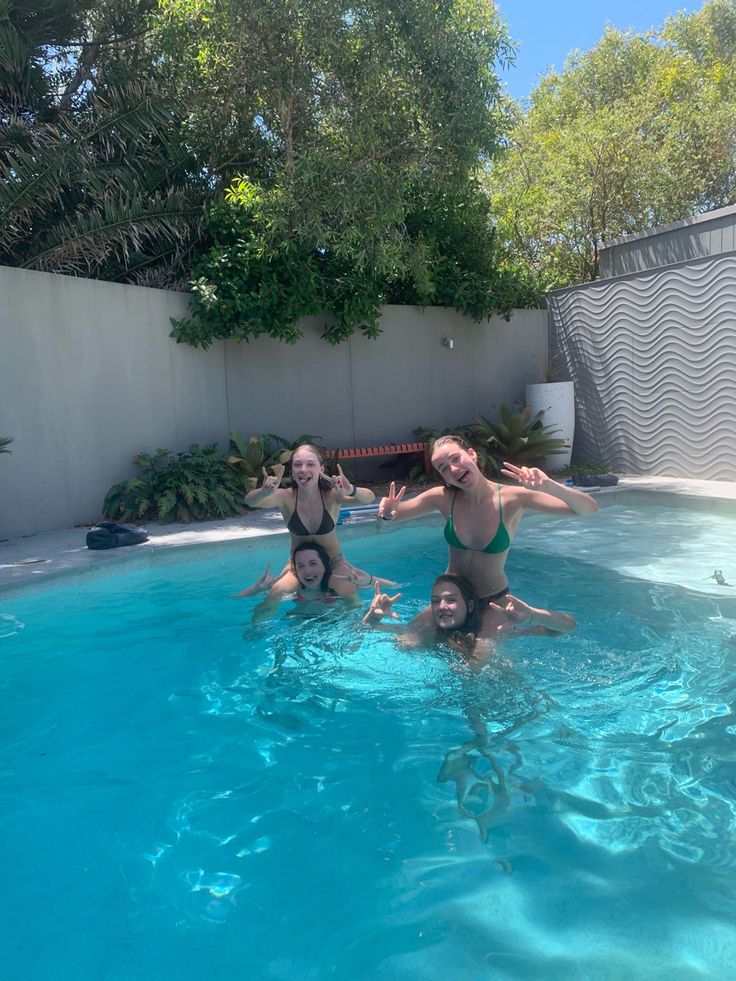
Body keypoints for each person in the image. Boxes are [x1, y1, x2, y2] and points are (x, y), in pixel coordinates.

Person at [378, 436, 598, 602]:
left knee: (478, 663)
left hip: (494, 600)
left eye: (456, 458)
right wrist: (386, 513)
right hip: (452, 600)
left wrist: (551, 486)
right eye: (443, 468)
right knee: (405, 643)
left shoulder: (513, 499)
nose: (453, 469)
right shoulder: (442, 498)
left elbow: (588, 510)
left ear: (472, 454)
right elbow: (394, 517)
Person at [237, 443, 385, 600]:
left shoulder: (332, 496)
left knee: (348, 592)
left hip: (334, 564)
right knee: (276, 594)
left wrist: (351, 490)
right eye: (297, 465)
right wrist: (264, 491)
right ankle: (258, 626)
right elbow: (250, 501)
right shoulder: (285, 497)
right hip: (298, 568)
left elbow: (369, 497)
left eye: (310, 464)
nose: (303, 470)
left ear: (321, 469)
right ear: (292, 471)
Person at [362, 573, 575, 662]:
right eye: (435, 601)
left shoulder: (497, 631)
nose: (442, 606)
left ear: (469, 605)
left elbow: (567, 627)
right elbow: (362, 634)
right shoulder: (427, 630)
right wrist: (373, 617)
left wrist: (532, 616)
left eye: (451, 600)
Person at [242, 542, 361, 621]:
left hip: (334, 626)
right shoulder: (291, 592)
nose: (307, 570)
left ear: (325, 566)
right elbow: (262, 612)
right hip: (300, 628)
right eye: (301, 566)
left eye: (313, 564)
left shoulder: (338, 589)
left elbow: (356, 612)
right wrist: (257, 589)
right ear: (296, 570)